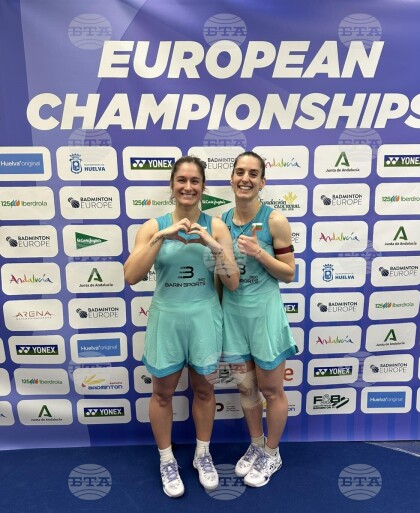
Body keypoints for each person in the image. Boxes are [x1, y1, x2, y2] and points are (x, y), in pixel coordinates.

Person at [124, 156, 239, 498]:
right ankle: (166, 459)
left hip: (204, 317)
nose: (188, 187)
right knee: (162, 393)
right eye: (182, 180)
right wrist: (162, 236)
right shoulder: (152, 226)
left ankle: (203, 454)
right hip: (167, 318)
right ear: (172, 185)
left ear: (203, 187)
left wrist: (214, 246)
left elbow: (232, 281)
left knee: (204, 391)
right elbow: (131, 276)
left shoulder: (216, 226)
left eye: (195, 181)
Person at [220, 150, 298, 488]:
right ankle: (255, 444)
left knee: (271, 389)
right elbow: (220, 275)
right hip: (233, 317)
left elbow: (289, 274)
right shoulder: (221, 222)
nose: (245, 178)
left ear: (262, 182)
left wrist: (259, 252)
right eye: (240, 172)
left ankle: (272, 452)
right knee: (246, 387)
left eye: (253, 174)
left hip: (265, 317)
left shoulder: (274, 220)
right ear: (231, 179)